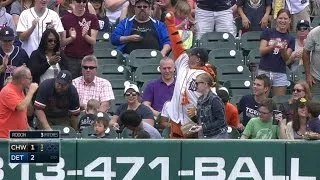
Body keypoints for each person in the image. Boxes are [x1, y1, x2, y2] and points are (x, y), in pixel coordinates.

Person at [160, 11, 216, 138]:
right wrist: (170, 24)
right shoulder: (183, 63)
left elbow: (212, 99)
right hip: (177, 117)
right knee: (174, 149)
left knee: (192, 150)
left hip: (194, 119)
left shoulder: (205, 75)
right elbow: (177, 44)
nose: (188, 55)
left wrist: (198, 111)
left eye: (191, 54)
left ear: (198, 59)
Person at [258, 9, 295, 96]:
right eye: (280, 18)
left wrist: (282, 50)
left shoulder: (291, 38)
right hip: (264, 70)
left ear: (289, 20)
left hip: (280, 72)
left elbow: (286, 59)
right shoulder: (267, 32)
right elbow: (262, 51)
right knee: (261, 100)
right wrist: (272, 46)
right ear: (276, 19)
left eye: (285, 19)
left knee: (279, 102)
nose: (283, 21)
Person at [61, 0, 99, 78]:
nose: (81, 4)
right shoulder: (65, 19)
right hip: (70, 58)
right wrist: (71, 38)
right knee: (72, 84)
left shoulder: (92, 18)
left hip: (87, 58)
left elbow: (93, 41)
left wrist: (85, 35)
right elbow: (62, 43)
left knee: (88, 83)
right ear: (73, 2)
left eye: (84, 1)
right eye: (78, 1)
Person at [0, 66, 38, 138]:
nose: (31, 80)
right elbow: (21, 107)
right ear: (22, 80)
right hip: (6, 137)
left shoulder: (20, 91)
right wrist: (31, 91)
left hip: (18, 136)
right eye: (30, 78)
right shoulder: (8, 91)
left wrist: (27, 128)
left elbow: (26, 113)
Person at [187, 73, 228, 138]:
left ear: (205, 84)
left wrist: (203, 127)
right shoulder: (200, 100)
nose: (195, 85)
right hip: (206, 135)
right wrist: (193, 117)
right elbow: (202, 120)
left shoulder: (215, 100)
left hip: (217, 136)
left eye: (197, 83)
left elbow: (221, 120)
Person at [303, 21, 320, 95]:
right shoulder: (314, 33)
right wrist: (308, 75)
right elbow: (305, 53)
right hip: (316, 78)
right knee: (314, 105)